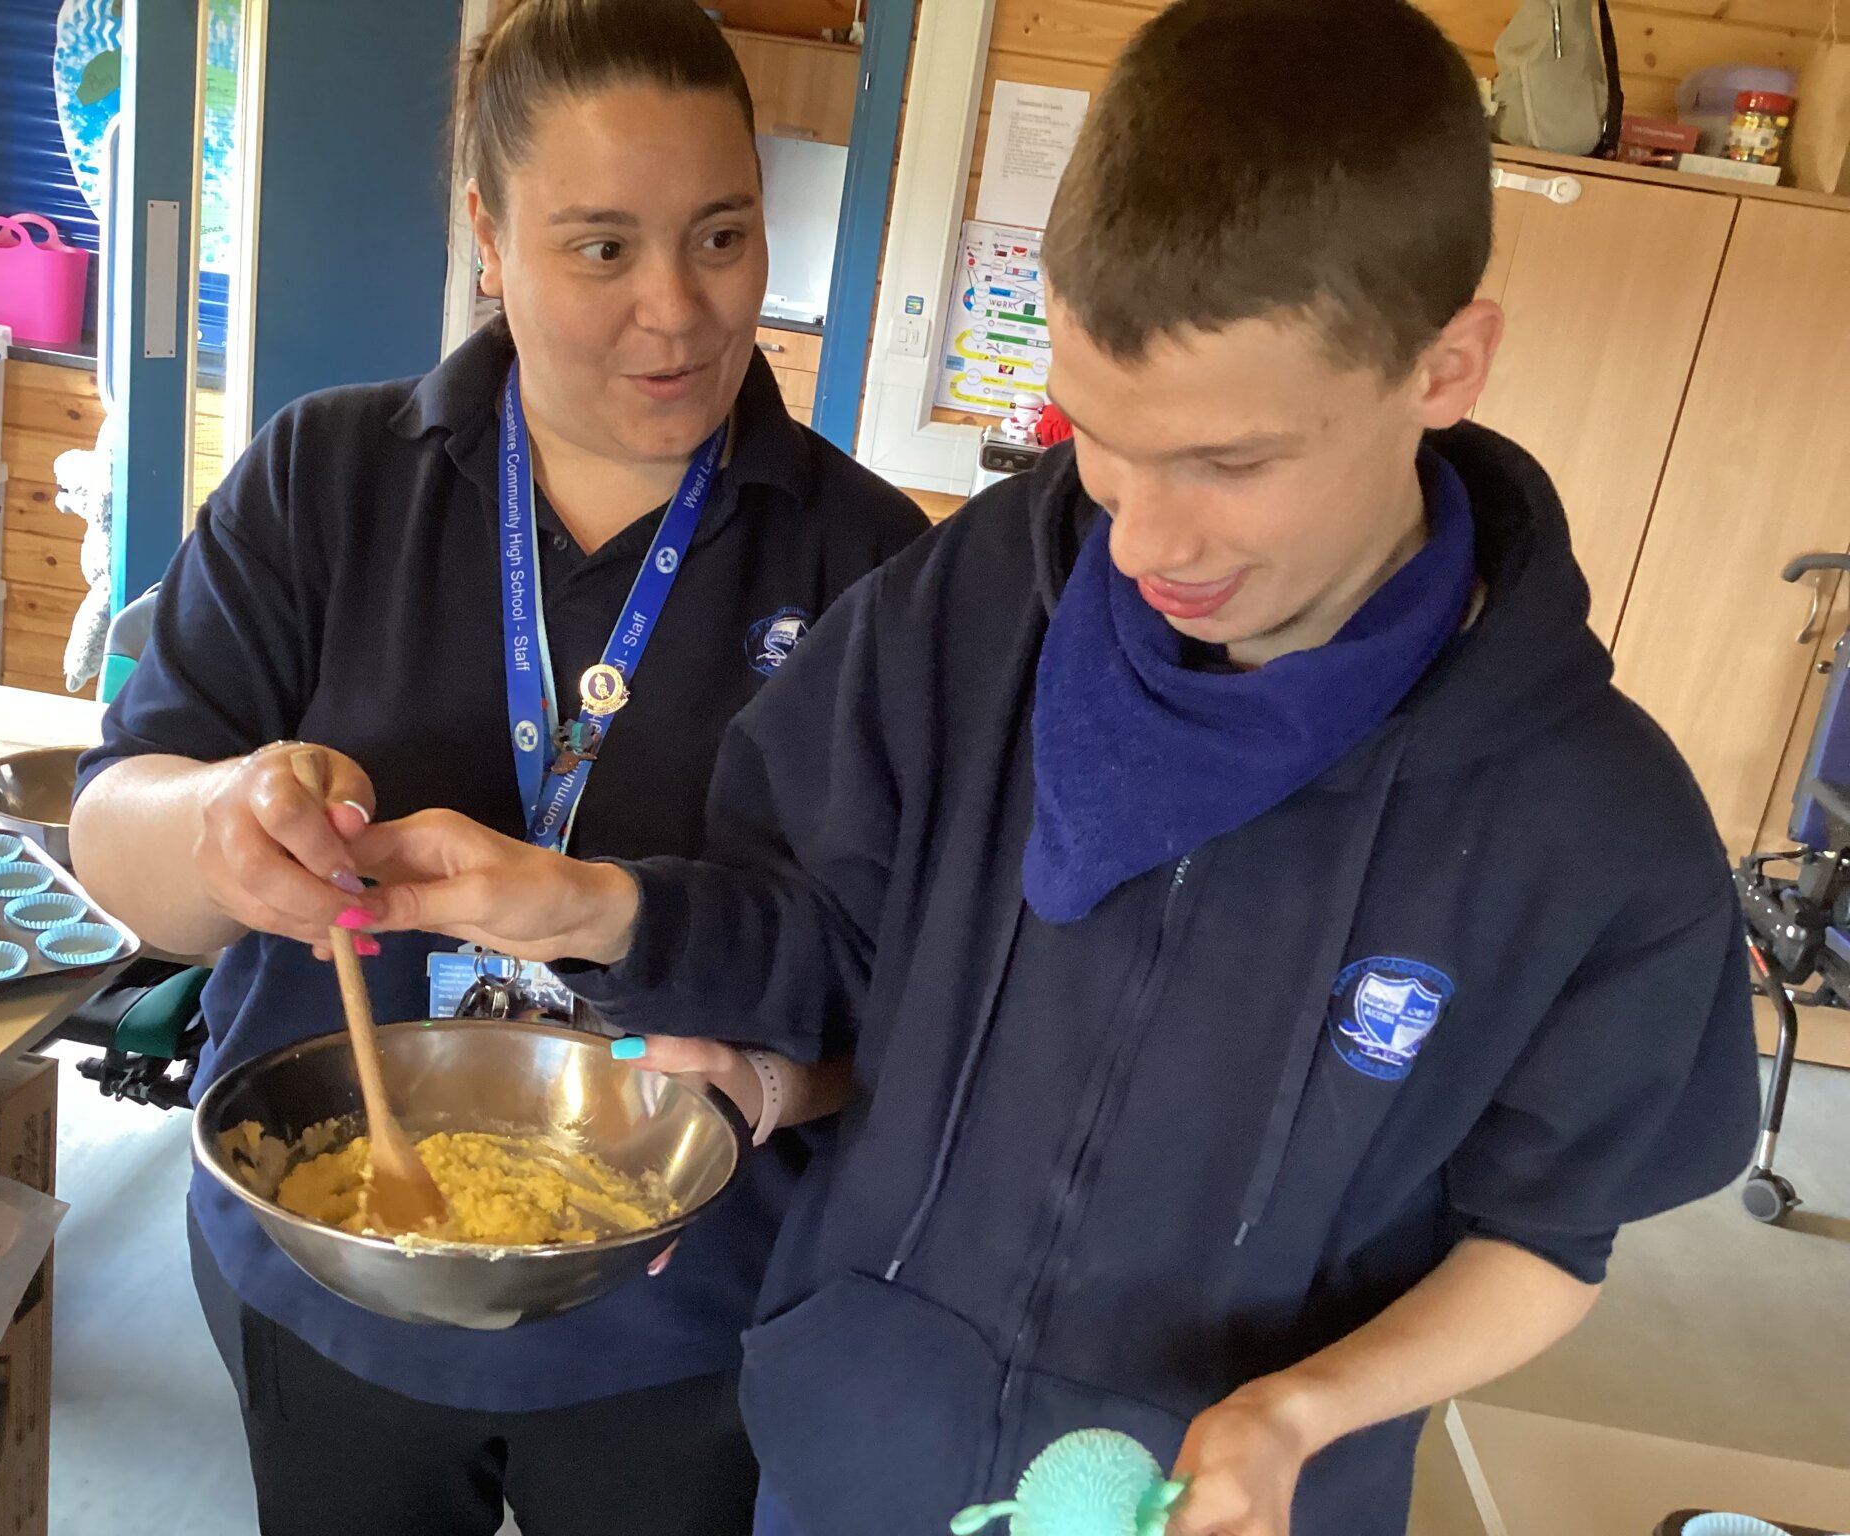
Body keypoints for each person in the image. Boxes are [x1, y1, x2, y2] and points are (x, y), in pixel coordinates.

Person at [341, 2, 1763, 1533]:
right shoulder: (969, 608)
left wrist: (1301, 1415)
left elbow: (1548, 1240)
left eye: (1230, 463)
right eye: (1096, 436)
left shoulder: (1599, 830)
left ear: (1446, 365)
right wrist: (647, 962)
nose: (1142, 545)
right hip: (856, 1467)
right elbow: (834, 945)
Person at [67, 2, 928, 1532]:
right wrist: (218, 824)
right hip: (329, 1275)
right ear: (487, 231)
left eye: (723, 237)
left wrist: (734, 1037)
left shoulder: (873, 565)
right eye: (602, 247)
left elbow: (906, 979)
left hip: (686, 1316)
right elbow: (119, 835)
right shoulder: (324, 479)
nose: (676, 313)